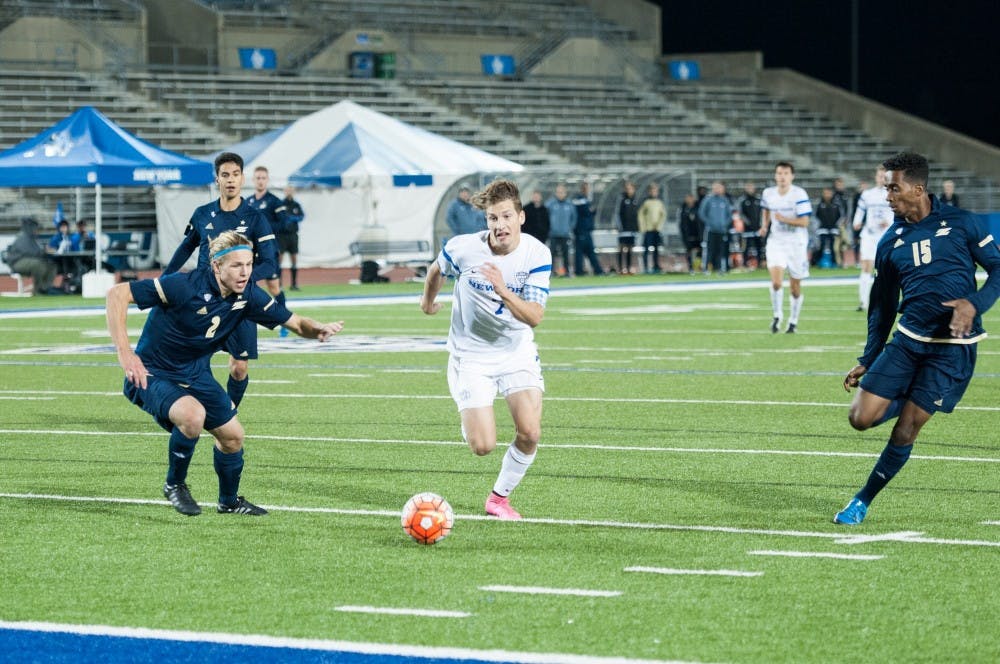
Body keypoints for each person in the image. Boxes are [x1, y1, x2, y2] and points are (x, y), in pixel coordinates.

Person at [108, 230, 344, 516]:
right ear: (217, 266)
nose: (245, 272)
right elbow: (118, 293)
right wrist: (125, 352)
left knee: (233, 437)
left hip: (196, 374)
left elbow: (295, 323)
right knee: (192, 415)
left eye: (248, 264)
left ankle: (229, 502)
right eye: (236, 265)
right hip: (152, 372)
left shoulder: (248, 295)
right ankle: (175, 485)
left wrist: (317, 329)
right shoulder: (184, 286)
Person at [835, 152, 1000, 525]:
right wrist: (870, 357)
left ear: (918, 188)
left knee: (907, 427)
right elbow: (881, 306)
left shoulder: (962, 224)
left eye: (894, 188)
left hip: (952, 351)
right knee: (860, 418)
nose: (887, 196)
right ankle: (910, 396)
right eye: (885, 188)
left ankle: (861, 501)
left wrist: (974, 305)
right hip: (908, 340)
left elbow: (998, 269)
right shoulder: (889, 242)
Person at [419, 179, 551, 520]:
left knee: (531, 432)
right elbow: (436, 269)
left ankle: (498, 500)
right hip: (471, 357)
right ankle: (469, 410)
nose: (499, 225)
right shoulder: (464, 248)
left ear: (521, 216)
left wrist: (504, 290)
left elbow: (534, 316)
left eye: (506, 216)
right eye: (493, 218)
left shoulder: (536, 253)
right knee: (482, 446)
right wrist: (427, 302)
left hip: (515, 352)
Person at [164, 152, 279, 411]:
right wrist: (165, 279)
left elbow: (270, 264)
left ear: (242, 178)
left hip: (240, 301)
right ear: (217, 179)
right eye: (225, 175)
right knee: (195, 362)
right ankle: (201, 413)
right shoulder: (202, 214)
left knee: (239, 368)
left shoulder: (255, 218)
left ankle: (229, 411)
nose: (230, 180)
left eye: (235, 175)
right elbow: (186, 248)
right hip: (203, 299)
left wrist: (244, 278)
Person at [760, 161, 812, 333]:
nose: (782, 177)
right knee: (776, 282)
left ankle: (793, 321)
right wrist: (764, 226)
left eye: (786, 173)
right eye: (779, 173)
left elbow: (805, 221)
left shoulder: (799, 194)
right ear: (775, 176)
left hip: (796, 243)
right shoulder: (768, 193)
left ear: (792, 176)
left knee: (794, 287)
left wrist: (784, 219)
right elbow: (766, 210)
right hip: (776, 242)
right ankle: (777, 316)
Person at [853, 165, 895, 311]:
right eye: (879, 176)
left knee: (885, 270)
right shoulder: (867, 194)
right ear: (876, 177)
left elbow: (899, 213)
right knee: (866, 267)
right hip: (869, 235)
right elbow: (860, 210)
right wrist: (856, 222)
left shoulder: (893, 194)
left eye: (884, 176)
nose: (881, 179)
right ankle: (863, 302)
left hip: (885, 237)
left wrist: (889, 222)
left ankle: (884, 301)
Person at [1, 217, 58, 295]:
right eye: (35, 228)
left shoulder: (32, 238)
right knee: (38, 265)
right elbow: (32, 252)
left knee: (51, 265)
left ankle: (44, 288)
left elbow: (36, 252)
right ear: (30, 227)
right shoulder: (23, 237)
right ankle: (37, 291)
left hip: (27, 261)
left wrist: (44, 251)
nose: (37, 230)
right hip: (17, 262)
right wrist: (45, 251)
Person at [698, 181, 735, 275]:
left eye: (719, 188)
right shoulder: (708, 199)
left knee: (721, 250)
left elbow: (729, 215)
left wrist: (725, 224)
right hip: (710, 230)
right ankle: (706, 268)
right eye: (715, 188)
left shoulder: (725, 200)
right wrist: (709, 223)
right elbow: (701, 213)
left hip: (722, 230)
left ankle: (719, 269)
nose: (717, 189)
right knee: (709, 249)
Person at [572, 181, 604, 276]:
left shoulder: (586, 200)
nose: (587, 190)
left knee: (588, 252)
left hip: (586, 230)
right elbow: (585, 212)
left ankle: (596, 271)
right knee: (582, 252)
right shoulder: (580, 200)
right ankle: (582, 271)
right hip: (581, 230)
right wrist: (591, 211)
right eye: (586, 188)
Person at [277, 185, 305, 291]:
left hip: (293, 236)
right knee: (279, 260)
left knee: (294, 259)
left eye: (291, 190)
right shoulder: (281, 204)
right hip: (282, 236)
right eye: (287, 190)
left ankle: (294, 284)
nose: (289, 192)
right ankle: (279, 284)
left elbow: (302, 216)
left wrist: (293, 218)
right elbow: (278, 217)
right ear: (285, 191)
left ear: (293, 192)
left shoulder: (296, 205)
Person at [546, 184, 576, 277]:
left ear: (565, 193)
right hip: (553, 234)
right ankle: (550, 272)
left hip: (565, 234)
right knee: (551, 254)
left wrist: (569, 228)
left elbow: (574, 218)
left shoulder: (570, 204)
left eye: (562, 192)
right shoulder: (550, 204)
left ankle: (567, 272)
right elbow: (546, 218)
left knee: (566, 254)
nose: (560, 194)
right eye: (558, 192)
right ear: (556, 193)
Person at [638, 183, 665, 274]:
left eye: (655, 191)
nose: (654, 192)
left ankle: (656, 266)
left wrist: (659, 226)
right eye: (652, 190)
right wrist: (643, 227)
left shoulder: (659, 203)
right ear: (649, 192)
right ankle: (645, 267)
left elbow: (663, 215)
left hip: (656, 230)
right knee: (646, 249)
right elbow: (641, 215)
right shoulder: (646, 203)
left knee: (656, 249)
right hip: (648, 230)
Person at [813, 188, 842, 267]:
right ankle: (818, 262)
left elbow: (839, 216)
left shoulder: (836, 205)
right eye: (826, 193)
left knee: (834, 247)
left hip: (833, 229)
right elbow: (816, 216)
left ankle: (834, 263)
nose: (827, 195)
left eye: (829, 193)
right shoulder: (820, 205)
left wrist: (836, 226)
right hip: (822, 229)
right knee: (821, 246)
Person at [737, 182, 763, 268]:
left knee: (759, 246)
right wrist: (748, 223)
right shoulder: (742, 200)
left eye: (751, 187)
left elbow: (763, 212)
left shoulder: (759, 199)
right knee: (746, 247)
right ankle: (744, 264)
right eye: (748, 187)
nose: (750, 189)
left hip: (758, 228)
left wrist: (760, 223)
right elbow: (740, 213)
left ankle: (759, 263)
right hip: (747, 229)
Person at [616, 181, 639, 274]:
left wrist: (637, 227)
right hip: (623, 229)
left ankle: (629, 268)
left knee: (630, 248)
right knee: (621, 247)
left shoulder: (635, 200)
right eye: (627, 188)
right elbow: (617, 213)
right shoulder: (621, 199)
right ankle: (621, 269)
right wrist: (620, 227)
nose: (628, 190)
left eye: (630, 188)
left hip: (632, 229)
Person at [679, 193, 702, 274]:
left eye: (691, 198)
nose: (690, 200)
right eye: (688, 198)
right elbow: (681, 223)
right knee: (689, 251)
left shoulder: (698, 208)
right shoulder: (683, 209)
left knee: (700, 250)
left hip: (697, 233)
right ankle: (691, 267)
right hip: (687, 234)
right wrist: (683, 234)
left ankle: (698, 266)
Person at [46, 219, 74, 285]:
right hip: (58, 261)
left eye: (65, 226)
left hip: (70, 259)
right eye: (62, 227)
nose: (64, 229)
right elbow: (49, 249)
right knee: (65, 262)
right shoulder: (56, 238)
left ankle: (72, 283)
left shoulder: (70, 237)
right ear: (59, 228)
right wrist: (57, 250)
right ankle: (65, 283)